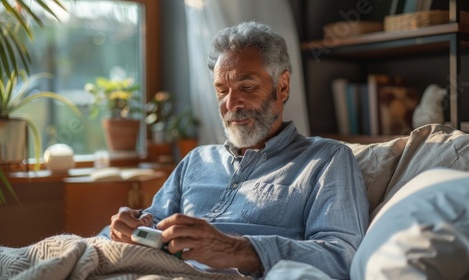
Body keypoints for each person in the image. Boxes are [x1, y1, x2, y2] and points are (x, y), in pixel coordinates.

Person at [109, 21, 369, 278]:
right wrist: (128, 227)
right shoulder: (197, 160)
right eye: (222, 91)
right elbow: (151, 222)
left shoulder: (326, 159)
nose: (231, 104)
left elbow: (342, 256)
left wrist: (234, 249)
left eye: (247, 87)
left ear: (282, 87)